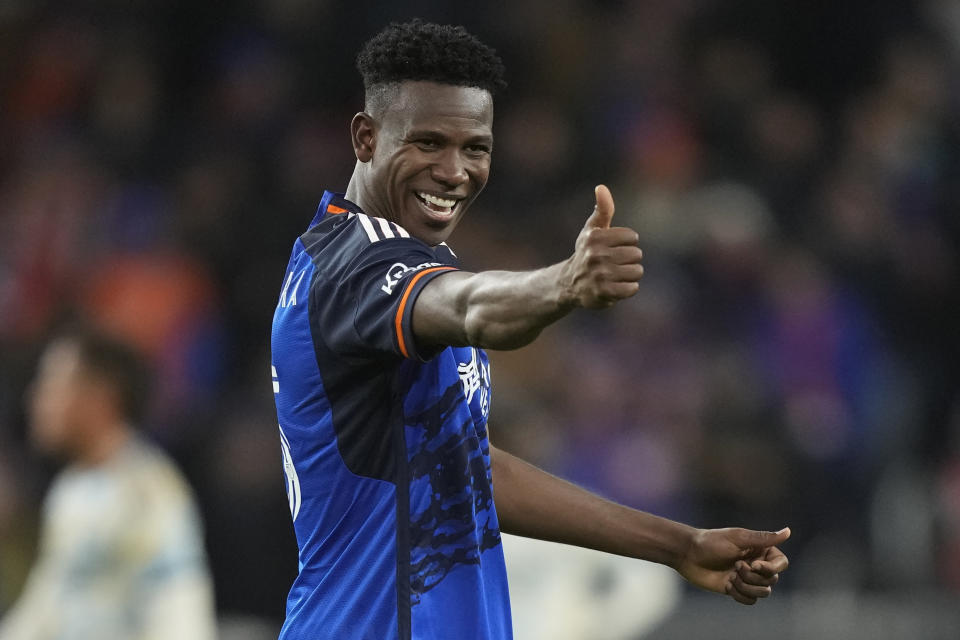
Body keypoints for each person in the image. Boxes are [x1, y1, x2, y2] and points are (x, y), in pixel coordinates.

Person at [270, 19, 790, 640]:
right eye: (428, 142)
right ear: (366, 137)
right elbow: (471, 309)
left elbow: (465, 468)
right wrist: (564, 284)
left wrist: (678, 546)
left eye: (476, 148)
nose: (455, 170)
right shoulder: (357, 267)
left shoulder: (382, 258)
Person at [0, 326, 216, 640]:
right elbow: (45, 608)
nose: (36, 399)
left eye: (52, 385)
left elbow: (179, 610)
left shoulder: (145, 493)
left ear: (100, 396)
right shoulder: (71, 491)